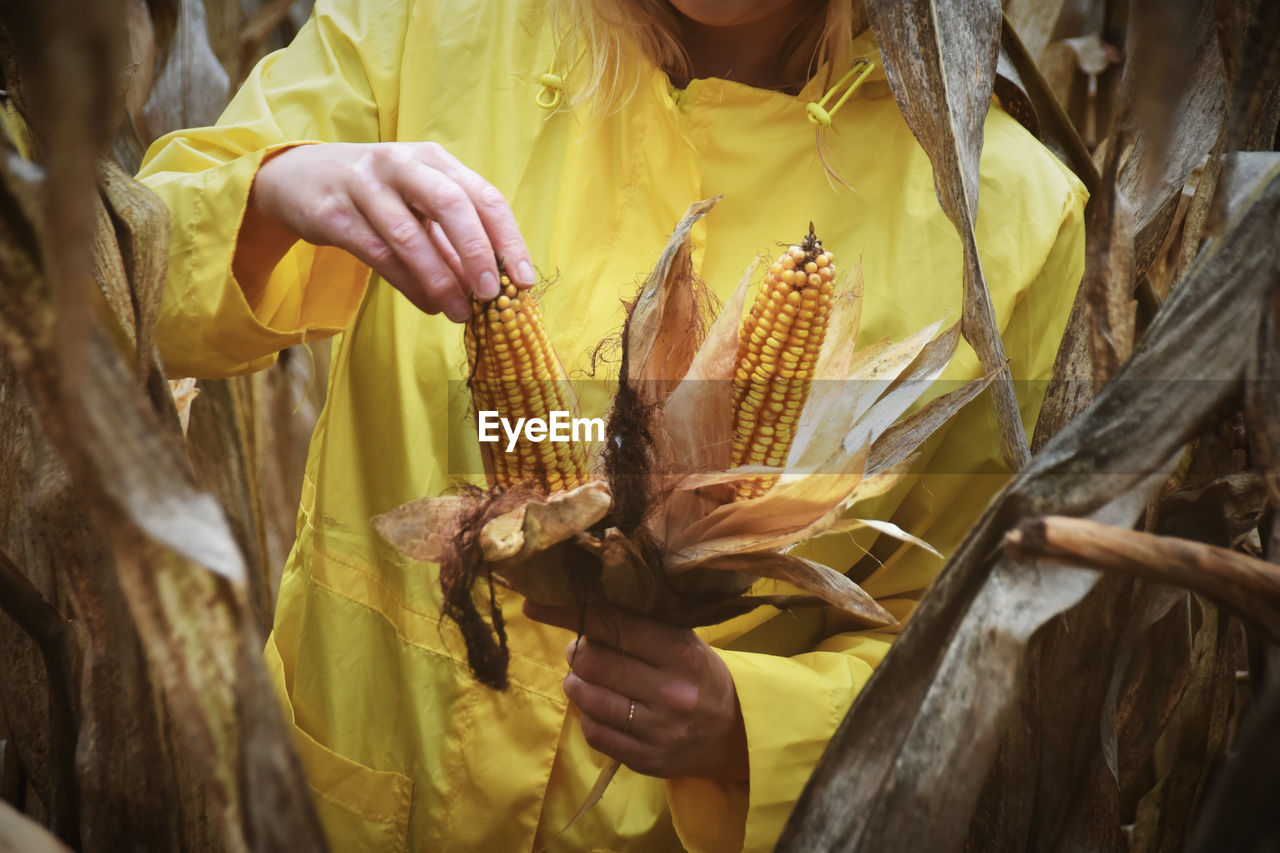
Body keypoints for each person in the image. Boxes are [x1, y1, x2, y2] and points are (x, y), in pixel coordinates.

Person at [138, 0, 1087, 849]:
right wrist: (275, 192)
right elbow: (109, 285)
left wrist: (750, 726)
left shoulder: (1004, 219)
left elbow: (971, 644)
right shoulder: (429, 29)